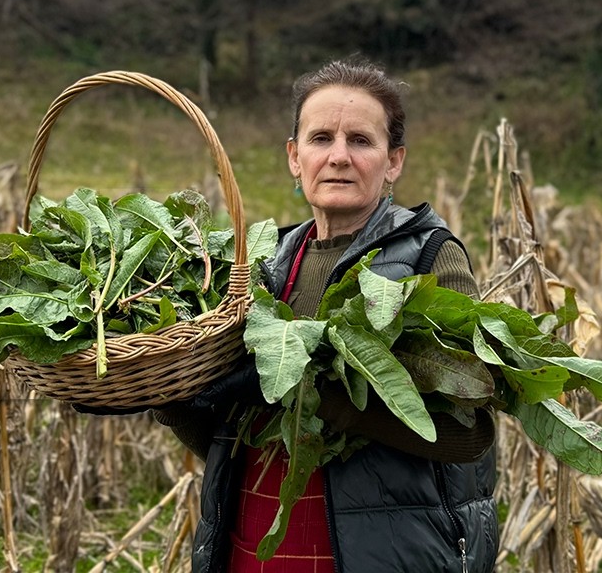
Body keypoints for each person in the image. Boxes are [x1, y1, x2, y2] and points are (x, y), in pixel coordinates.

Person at [154, 57, 500, 573]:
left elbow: (467, 432)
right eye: (320, 139)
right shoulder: (261, 266)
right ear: (295, 158)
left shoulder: (429, 259)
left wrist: (304, 388)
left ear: (394, 161)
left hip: (380, 554)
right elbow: (231, 442)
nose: (338, 156)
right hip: (255, 543)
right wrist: (168, 396)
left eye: (360, 141)